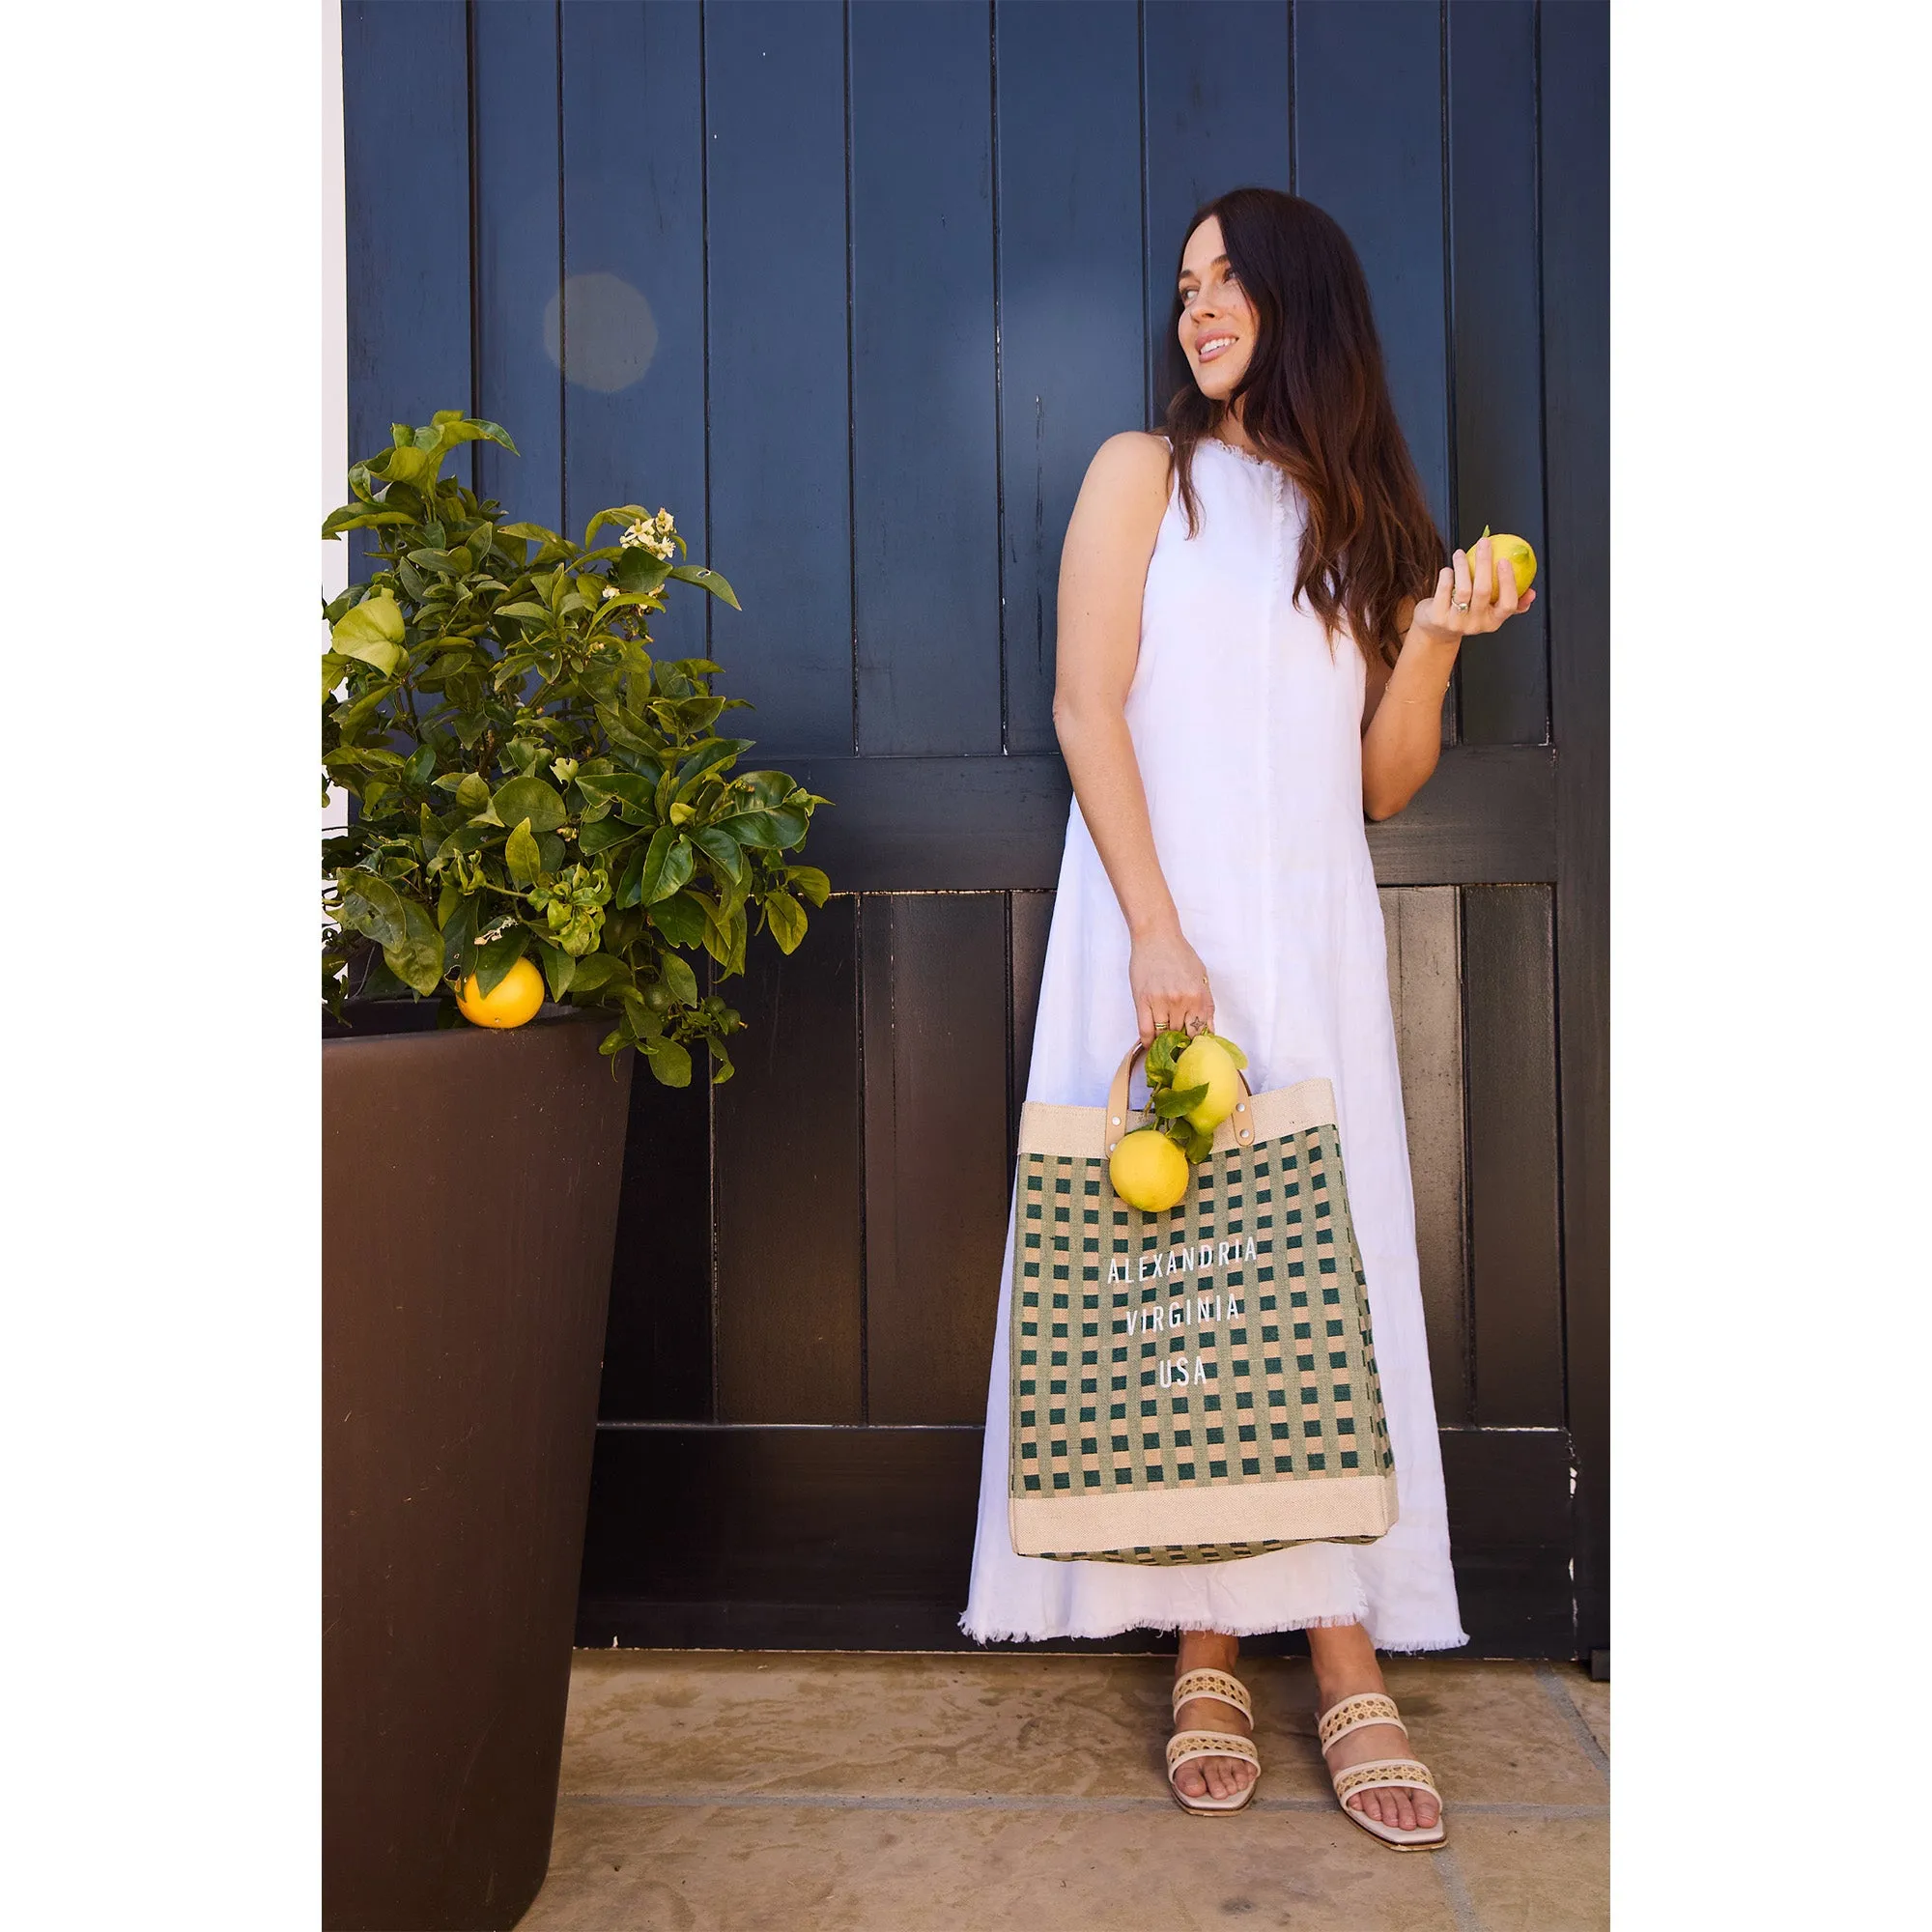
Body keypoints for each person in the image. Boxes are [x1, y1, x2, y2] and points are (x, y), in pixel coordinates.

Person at [960, 187, 1535, 1849]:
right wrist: (1154, 931)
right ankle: (1212, 1634)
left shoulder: (1355, 513)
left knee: (1312, 1273)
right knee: (1183, 1277)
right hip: (1162, 925)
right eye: (1187, 282)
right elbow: (1086, 703)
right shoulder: (1145, 477)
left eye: (1232, 279)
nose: (1200, 304)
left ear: (1304, 299)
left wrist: (1428, 637)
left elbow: (1378, 780)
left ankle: (1341, 1638)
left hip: (1311, 934)